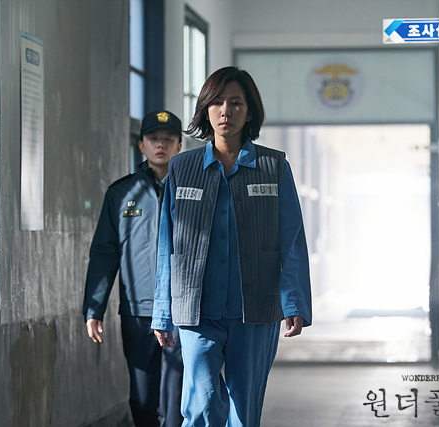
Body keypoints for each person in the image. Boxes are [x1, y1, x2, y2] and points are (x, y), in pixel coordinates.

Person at [151, 66, 312, 426]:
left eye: (236, 103)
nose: (226, 111)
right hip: (197, 311)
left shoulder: (273, 167)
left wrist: (294, 301)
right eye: (218, 102)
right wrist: (162, 311)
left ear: (249, 111)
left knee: (244, 412)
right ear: (206, 110)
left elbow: (291, 240)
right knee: (201, 406)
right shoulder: (182, 169)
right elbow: (167, 245)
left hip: (254, 310)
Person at [83, 110, 184, 427]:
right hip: (138, 311)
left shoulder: (193, 191)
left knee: (177, 396)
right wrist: (94, 308)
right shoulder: (121, 193)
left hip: (183, 310)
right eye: (153, 139)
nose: (160, 145)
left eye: (168, 139)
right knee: (141, 397)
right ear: (141, 145)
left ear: (179, 146)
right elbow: (104, 253)